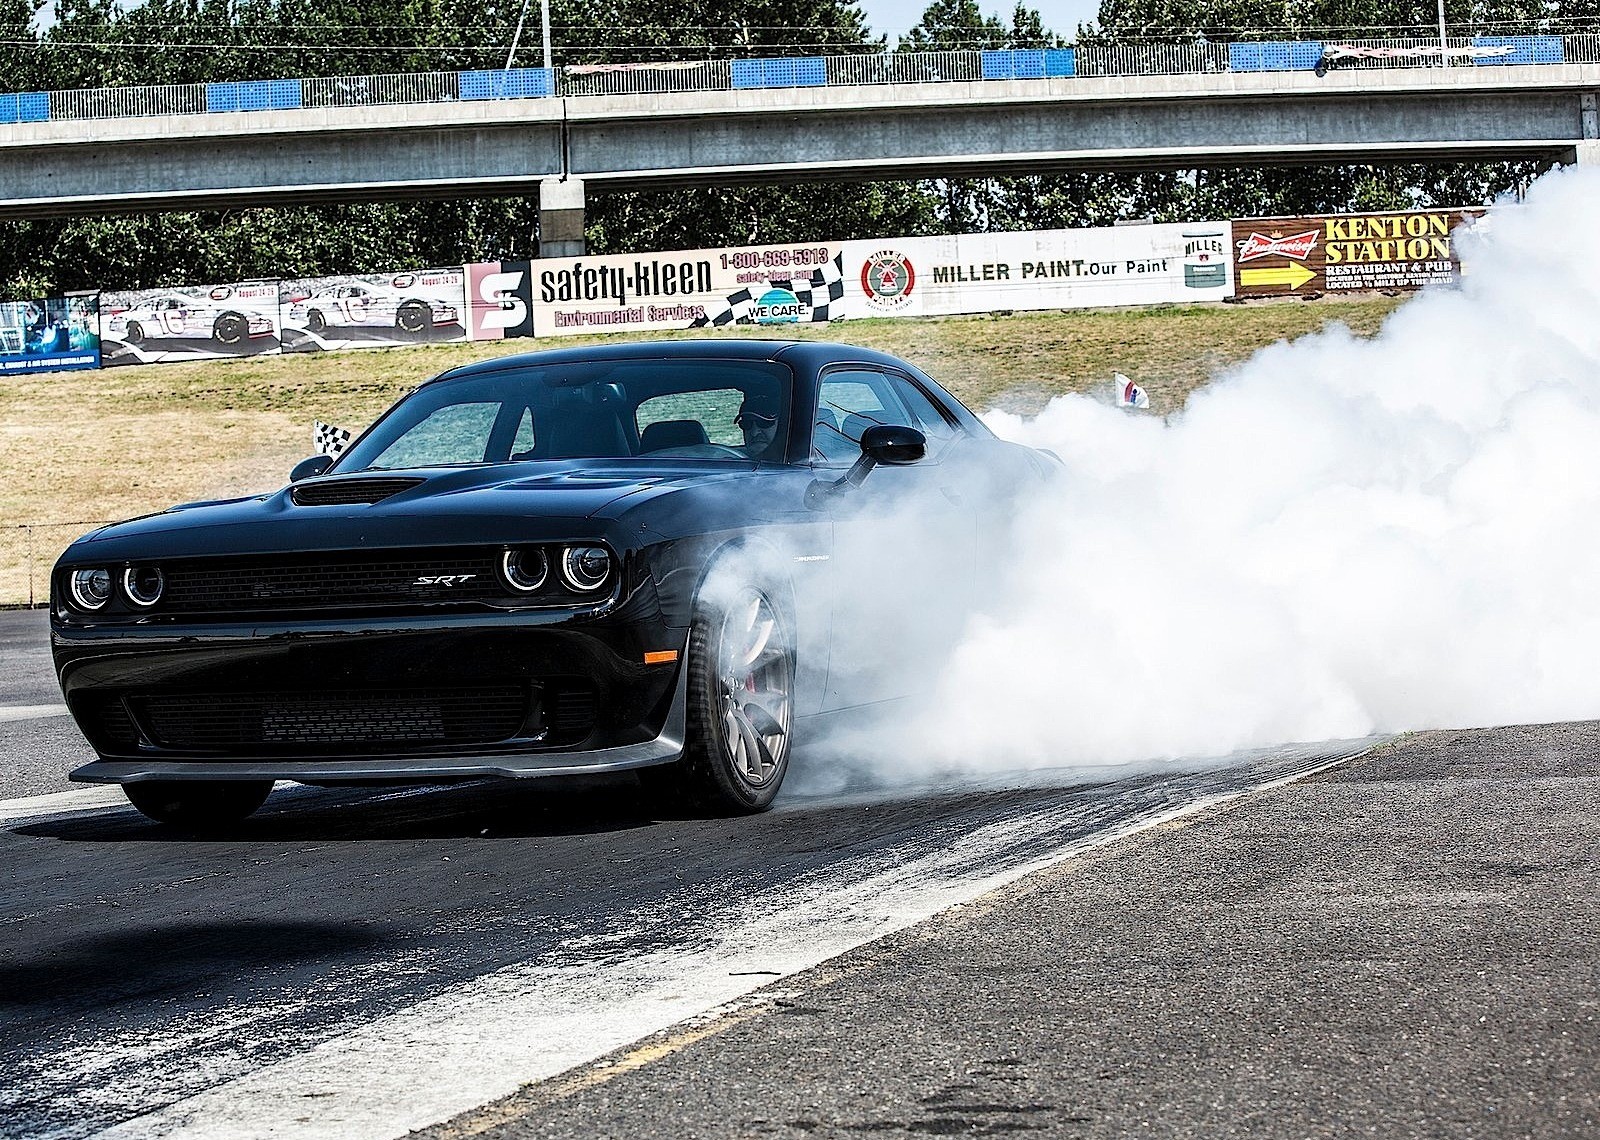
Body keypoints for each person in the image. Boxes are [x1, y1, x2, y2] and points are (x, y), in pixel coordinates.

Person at [734, 391, 781, 459]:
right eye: (746, 424)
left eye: (764, 423)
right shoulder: (732, 464)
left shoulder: (798, 466)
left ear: (782, 426)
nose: (754, 433)